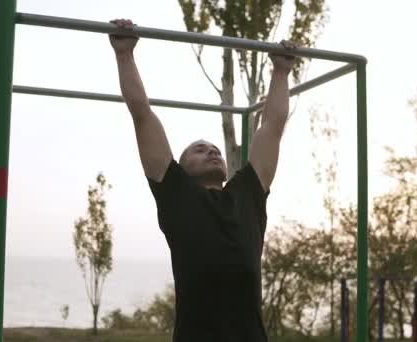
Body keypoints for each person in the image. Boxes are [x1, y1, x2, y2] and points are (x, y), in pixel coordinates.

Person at [109, 18, 297, 342]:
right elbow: (141, 113)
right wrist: (124, 54)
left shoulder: (247, 194)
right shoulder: (175, 193)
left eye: (215, 150)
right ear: (181, 167)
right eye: (199, 150)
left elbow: (273, 127)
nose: (212, 152)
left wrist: (281, 72)